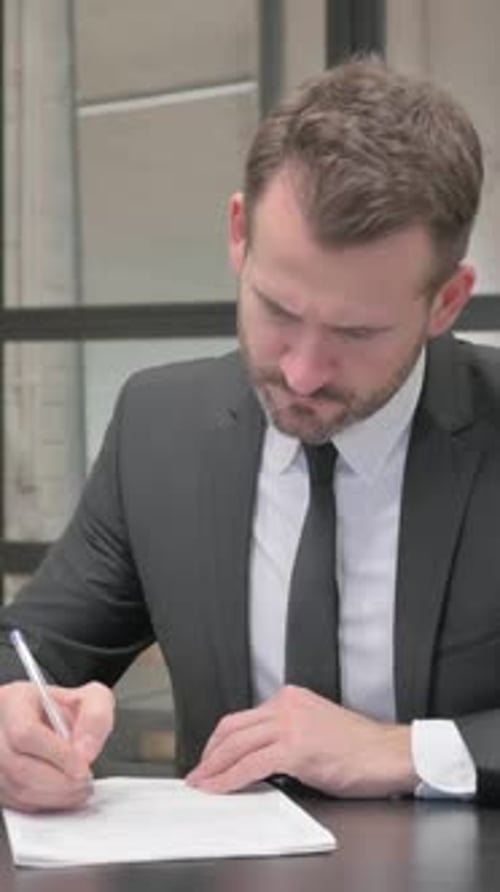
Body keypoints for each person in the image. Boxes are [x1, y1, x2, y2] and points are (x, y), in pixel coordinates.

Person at [0, 54, 497, 814]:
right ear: (239, 234)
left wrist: (406, 750)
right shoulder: (157, 428)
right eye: (278, 311)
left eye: (355, 332)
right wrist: (13, 722)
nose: (300, 373)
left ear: (447, 301)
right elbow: (26, 651)